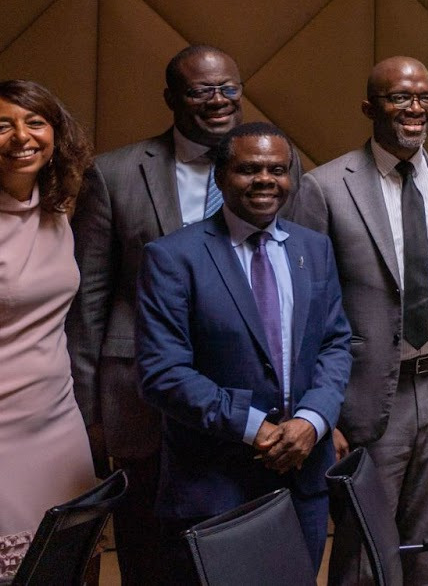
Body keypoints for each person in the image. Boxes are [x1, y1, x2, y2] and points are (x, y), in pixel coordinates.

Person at [68, 44, 301, 586]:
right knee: (149, 554)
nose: (219, 100)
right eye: (201, 90)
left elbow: (300, 283)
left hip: (250, 402)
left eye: (229, 88)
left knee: (243, 556)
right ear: (171, 97)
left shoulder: (280, 168)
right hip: (142, 399)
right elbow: (89, 303)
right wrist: (89, 414)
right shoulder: (114, 173)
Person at [292, 58, 428, 586]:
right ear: (369, 107)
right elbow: (304, 311)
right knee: (363, 553)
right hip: (363, 397)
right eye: (401, 97)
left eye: (426, 98)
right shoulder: (324, 188)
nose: (416, 109)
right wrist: (320, 411)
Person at [136, 122, 353, 575]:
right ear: (220, 176)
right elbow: (164, 373)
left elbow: (335, 344)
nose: (265, 180)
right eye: (249, 169)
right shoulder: (172, 257)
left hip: (303, 479)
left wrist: (313, 420)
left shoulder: (314, 249)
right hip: (216, 483)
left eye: (277, 169)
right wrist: (257, 429)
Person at [0, 81, 96, 547]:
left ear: (55, 134)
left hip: (56, 420)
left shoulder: (57, 207)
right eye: (1, 126)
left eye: (35, 122)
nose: (22, 137)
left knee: (67, 559)